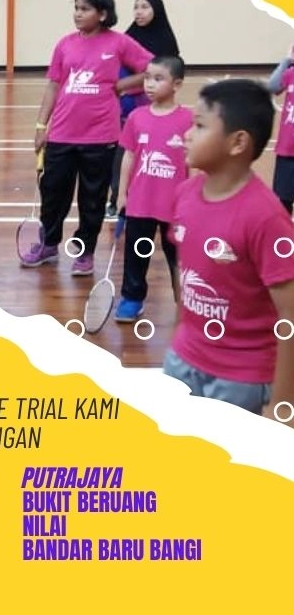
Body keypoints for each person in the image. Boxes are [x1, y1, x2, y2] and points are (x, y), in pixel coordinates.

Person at [167, 78, 294, 425]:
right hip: (182, 362)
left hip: (241, 381)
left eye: (199, 126)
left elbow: (290, 315)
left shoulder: (267, 218)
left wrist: (283, 406)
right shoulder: (184, 194)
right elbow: (185, 274)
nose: (186, 135)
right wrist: (178, 339)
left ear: (238, 142)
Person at [20, 0, 153, 275]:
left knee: (92, 199)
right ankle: (49, 244)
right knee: (53, 193)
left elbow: (153, 69)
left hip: (100, 136)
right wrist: (41, 125)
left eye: (85, 9)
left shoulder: (119, 42)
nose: (78, 14)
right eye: (76, 8)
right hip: (61, 133)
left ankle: (85, 252)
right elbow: (53, 85)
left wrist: (122, 85)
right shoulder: (65, 44)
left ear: (102, 14)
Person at [113, 55, 193, 322]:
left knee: (178, 258)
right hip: (141, 203)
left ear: (177, 84)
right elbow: (128, 157)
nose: (149, 84)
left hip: (175, 207)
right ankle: (132, 298)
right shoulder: (136, 117)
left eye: (158, 79)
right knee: (137, 254)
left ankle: (185, 303)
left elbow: (195, 161)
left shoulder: (188, 119)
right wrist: (121, 194)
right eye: (147, 77)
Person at [107, 0, 181, 217]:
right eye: (136, 7)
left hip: (154, 105)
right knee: (123, 152)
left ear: (156, 11)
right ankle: (117, 198)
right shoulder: (127, 39)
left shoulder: (167, 42)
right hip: (127, 105)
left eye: (145, 7)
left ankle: (157, 200)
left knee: (154, 154)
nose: (139, 12)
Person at [267, 44, 294, 214]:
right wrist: (287, 60)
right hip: (287, 150)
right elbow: (273, 86)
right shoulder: (291, 74)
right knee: (283, 201)